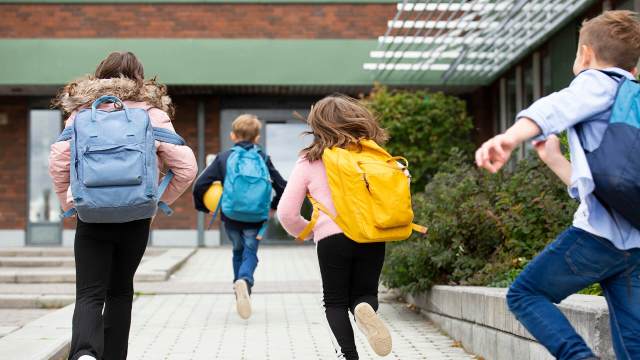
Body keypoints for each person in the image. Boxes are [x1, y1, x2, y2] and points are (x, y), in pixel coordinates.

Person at [475, 11, 640, 360]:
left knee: (525, 294)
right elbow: (610, 184)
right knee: (632, 342)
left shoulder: (596, 81)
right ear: (635, 67)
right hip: (634, 246)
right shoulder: (630, 97)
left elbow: (555, 106)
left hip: (596, 238)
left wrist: (510, 137)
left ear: (584, 53)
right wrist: (554, 159)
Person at [49, 51, 198, 360]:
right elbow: (186, 167)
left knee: (89, 292)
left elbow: (59, 160)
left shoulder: (82, 111)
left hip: (91, 215)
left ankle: (85, 354)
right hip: (136, 216)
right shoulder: (151, 112)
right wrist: (156, 201)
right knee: (120, 291)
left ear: (99, 74)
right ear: (139, 77)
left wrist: (70, 201)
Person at [277, 95, 393, 360]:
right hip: (371, 235)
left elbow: (286, 212)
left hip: (332, 237)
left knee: (335, 301)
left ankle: (349, 355)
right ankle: (365, 307)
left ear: (319, 125)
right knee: (365, 293)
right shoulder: (374, 156)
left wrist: (305, 231)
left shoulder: (310, 159)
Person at [193, 114, 286, 320]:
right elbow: (282, 186)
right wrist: (273, 206)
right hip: (257, 216)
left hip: (231, 216)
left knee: (237, 250)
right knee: (250, 251)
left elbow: (200, 185)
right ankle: (245, 280)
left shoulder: (224, 158)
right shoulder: (263, 158)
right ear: (257, 138)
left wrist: (203, 207)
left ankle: (239, 289)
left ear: (233, 135)